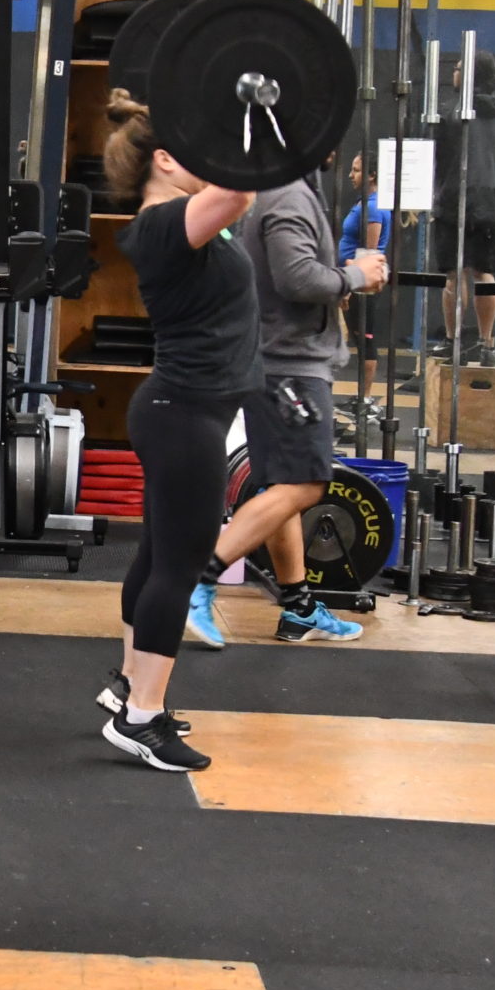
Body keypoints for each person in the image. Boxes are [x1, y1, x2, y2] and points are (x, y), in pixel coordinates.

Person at [92, 92, 255, 772]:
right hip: (183, 414)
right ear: (164, 159)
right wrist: (253, 120)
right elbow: (240, 191)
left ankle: (131, 685)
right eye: (194, 152)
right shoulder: (162, 224)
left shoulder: (180, 224)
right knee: (180, 566)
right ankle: (142, 719)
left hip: (183, 411)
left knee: (159, 556)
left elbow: (234, 198)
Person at [188, 165, 388, 650]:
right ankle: (199, 579)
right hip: (292, 367)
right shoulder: (289, 196)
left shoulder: (278, 191)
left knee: (281, 484)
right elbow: (296, 278)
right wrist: (354, 276)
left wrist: (336, 282)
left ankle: (298, 607)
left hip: (275, 359)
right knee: (306, 484)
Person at [433, 51, 495, 366]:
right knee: (484, 273)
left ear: (470, 74)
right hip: (491, 201)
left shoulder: (453, 114)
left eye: (457, 69)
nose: (453, 74)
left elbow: (440, 161)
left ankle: (451, 341)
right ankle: (487, 345)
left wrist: (438, 198)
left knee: (454, 275)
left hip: (454, 197)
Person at [336, 152, 392, 418]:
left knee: (365, 339)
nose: (351, 175)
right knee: (360, 338)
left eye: (356, 170)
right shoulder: (365, 203)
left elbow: (369, 253)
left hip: (361, 283)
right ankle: (362, 398)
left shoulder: (374, 207)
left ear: (372, 175)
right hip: (354, 279)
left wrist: (349, 287)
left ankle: (365, 400)